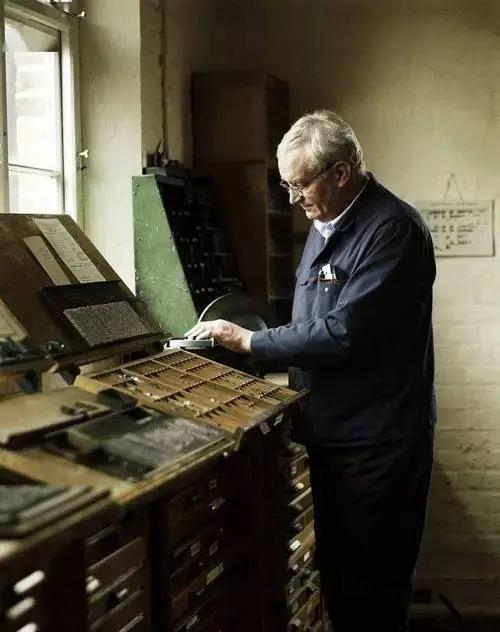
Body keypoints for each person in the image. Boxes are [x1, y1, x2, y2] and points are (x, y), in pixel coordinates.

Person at [186, 109, 436, 632]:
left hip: (376, 442)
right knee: (341, 581)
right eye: (286, 185)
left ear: (340, 173)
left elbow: (344, 332)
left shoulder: (392, 230)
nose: (292, 198)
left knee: (373, 587)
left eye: (299, 185)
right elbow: (310, 322)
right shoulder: (325, 226)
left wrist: (251, 341)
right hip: (332, 433)